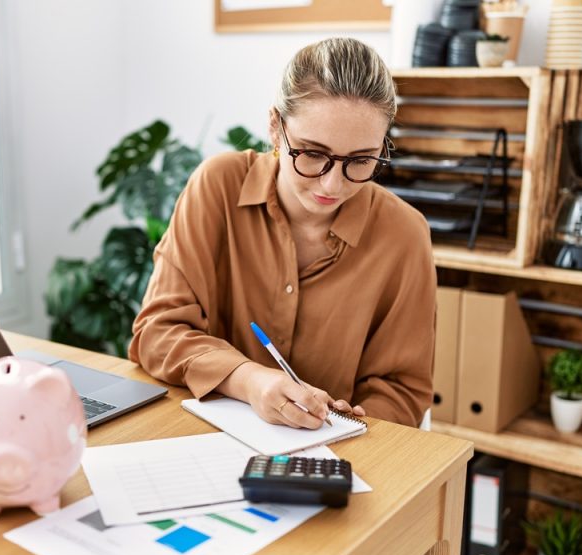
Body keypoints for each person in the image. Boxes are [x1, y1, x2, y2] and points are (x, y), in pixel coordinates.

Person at [129, 37, 435, 430]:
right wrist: (250, 380)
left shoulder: (404, 233)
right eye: (312, 153)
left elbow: (404, 389)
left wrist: (354, 421)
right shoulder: (217, 186)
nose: (332, 185)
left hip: (338, 455)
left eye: (360, 161)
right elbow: (157, 332)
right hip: (206, 437)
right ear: (276, 128)